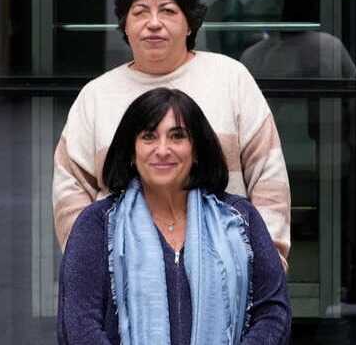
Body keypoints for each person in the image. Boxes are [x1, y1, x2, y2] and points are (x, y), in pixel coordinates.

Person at [52, 0, 291, 269]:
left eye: (167, 11)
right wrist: (90, 267)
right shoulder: (96, 95)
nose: (153, 23)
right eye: (140, 12)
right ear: (125, 25)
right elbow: (70, 189)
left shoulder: (231, 79)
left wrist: (267, 263)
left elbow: (268, 176)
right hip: (121, 274)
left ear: (190, 23)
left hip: (227, 270)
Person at [57, 88, 291, 345]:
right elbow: (79, 326)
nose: (162, 150)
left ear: (196, 150)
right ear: (132, 152)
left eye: (177, 136)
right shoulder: (97, 224)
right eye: (149, 137)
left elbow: (273, 313)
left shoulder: (241, 219)